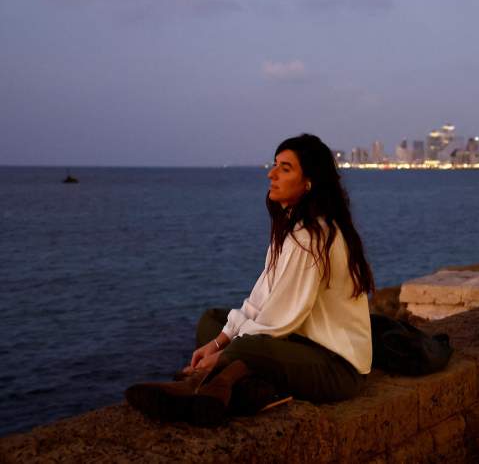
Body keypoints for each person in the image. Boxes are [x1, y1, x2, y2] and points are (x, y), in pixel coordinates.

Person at [126, 134, 375, 426]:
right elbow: (262, 298)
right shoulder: (292, 229)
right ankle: (239, 390)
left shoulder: (311, 238)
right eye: (275, 165)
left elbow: (279, 318)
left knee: (247, 345)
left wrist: (223, 354)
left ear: (309, 182)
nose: (271, 174)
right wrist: (219, 342)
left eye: (285, 168)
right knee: (212, 321)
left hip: (336, 367)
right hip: (298, 346)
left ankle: (196, 386)